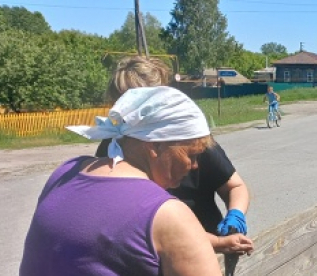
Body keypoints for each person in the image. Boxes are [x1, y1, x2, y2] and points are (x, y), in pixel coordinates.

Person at [0, 86, 299, 276]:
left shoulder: (65, 174)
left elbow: (113, 243)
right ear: (155, 146)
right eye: (191, 154)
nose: (195, 166)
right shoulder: (167, 214)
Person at [96, 56, 252, 255]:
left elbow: (234, 185)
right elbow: (136, 226)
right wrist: (217, 243)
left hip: (206, 254)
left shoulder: (191, 141)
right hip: (154, 256)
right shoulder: (110, 150)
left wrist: (235, 214)